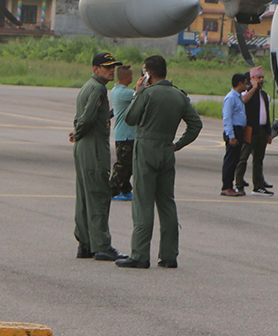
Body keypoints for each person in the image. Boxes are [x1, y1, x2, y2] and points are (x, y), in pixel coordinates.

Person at [117, 55, 202, 268]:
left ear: (148, 74)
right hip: (166, 149)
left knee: (143, 202)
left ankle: (140, 254)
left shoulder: (147, 94)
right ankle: (169, 255)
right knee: (166, 203)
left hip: (146, 149)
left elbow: (130, 118)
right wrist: (178, 144)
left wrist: (138, 92)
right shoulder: (179, 95)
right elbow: (195, 125)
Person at [72, 52, 127, 261]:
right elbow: (86, 118)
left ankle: (85, 243)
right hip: (93, 146)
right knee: (98, 195)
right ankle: (101, 245)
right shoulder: (98, 89)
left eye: (113, 66)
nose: (111, 70)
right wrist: (78, 131)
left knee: (85, 196)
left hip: (85, 144)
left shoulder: (89, 86)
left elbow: (90, 116)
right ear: (96, 69)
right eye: (106, 67)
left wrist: (77, 131)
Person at [236, 66, 274, 196]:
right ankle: (239, 184)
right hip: (250, 129)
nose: (261, 80)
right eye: (258, 78)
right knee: (243, 157)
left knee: (259, 159)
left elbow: (267, 115)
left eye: (262, 77)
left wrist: (269, 133)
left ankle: (258, 185)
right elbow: (244, 100)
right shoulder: (246, 93)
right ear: (252, 79)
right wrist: (254, 88)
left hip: (262, 129)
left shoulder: (264, 95)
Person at [109, 65, 136, 202]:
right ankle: (112, 190)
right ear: (126, 77)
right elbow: (142, 96)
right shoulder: (125, 93)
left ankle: (125, 189)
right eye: (131, 75)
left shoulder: (115, 90)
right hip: (127, 134)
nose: (132, 78)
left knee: (128, 163)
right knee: (123, 165)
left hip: (124, 133)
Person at [221, 73, 249, 197]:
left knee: (235, 159)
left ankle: (230, 185)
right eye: (245, 82)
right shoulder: (231, 98)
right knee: (230, 160)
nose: (246, 85)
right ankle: (226, 187)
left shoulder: (238, 97)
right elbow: (227, 118)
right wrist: (231, 136)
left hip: (239, 130)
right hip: (233, 131)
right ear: (239, 83)